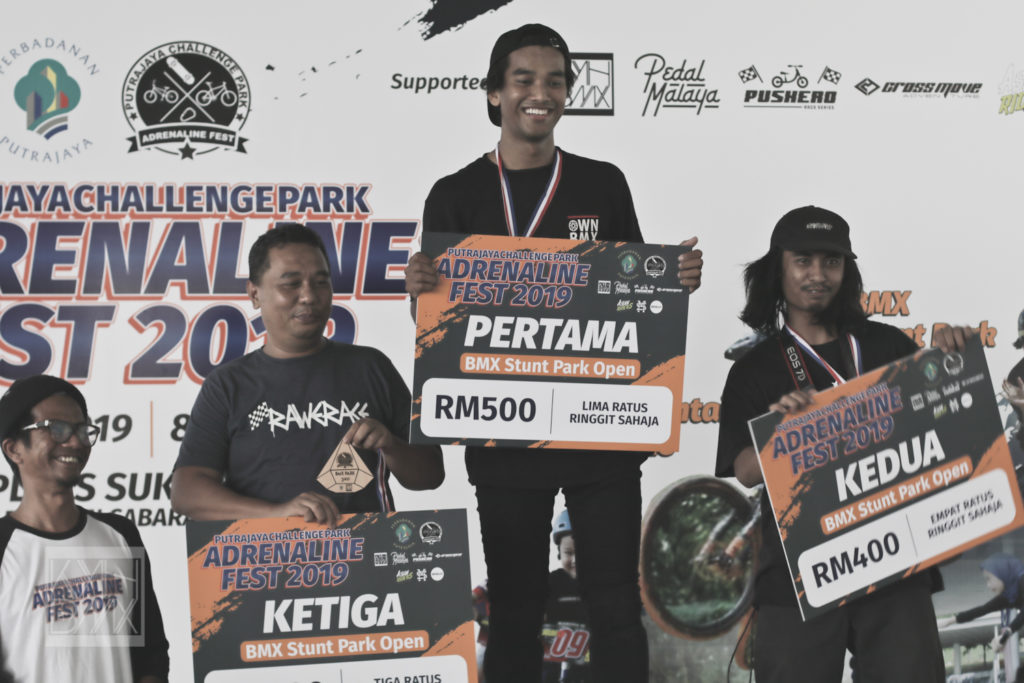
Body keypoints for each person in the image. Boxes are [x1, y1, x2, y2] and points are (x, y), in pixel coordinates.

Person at [404, 24, 703, 683]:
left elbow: (635, 300)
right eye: (524, 79)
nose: (541, 93)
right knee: (513, 609)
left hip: (598, 436)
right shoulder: (454, 193)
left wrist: (673, 282)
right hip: (504, 435)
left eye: (556, 81)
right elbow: (438, 329)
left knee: (616, 606)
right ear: (493, 94)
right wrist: (419, 293)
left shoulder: (603, 183)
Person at [715, 205, 970, 682]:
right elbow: (744, 469)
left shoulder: (888, 345)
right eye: (803, 261)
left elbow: (942, 423)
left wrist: (951, 362)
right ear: (778, 269)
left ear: (846, 271)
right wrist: (781, 434)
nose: (818, 274)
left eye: (831, 261)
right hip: (799, 570)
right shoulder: (753, 368)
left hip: (895, 556)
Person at [171, 223, 443, 522]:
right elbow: (186, 492)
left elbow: (431, 475)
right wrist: (278, 514)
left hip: (365, 548)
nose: (309, 296)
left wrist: (391, 445)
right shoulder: (227, 385)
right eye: (291, 284)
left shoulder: (371, 367)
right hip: (265, 551)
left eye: (321, 282)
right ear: (254, 293)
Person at [0, 375, 169, 682]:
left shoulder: (121, 534)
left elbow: (151, 654)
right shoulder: (4, 548)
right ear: (14, 449)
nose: (76, 442)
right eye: (56, 429)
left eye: (82, 430)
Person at [938, 553, 1024, 681]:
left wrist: (1005, 636)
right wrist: (950, 621)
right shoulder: (1009, 594)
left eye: (989, 579)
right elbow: (982, 610)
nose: (988, 585)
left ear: (1001, 573)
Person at [542, 510, 590, 683]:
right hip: (551, 667)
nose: (575, 560)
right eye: (569, 553)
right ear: (559, 553)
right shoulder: (550, 583)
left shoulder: (603, 586)